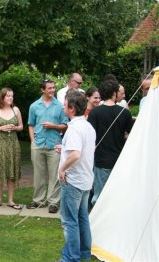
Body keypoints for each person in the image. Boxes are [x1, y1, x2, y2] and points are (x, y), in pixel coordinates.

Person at [56, 90, 96, 262]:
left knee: (70, 222)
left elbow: (75, 155)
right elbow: (77, 151)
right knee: (82, 219)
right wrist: (64, 150)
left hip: (73, 181)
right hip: (86, 179)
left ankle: (71, 258)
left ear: (71, 108)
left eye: (65, 105)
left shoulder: (74, 128)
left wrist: (62, 169)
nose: (63, 107)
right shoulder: (87, 126)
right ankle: (84, 253)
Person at [87, 79, 133, 205]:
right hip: (118, 159)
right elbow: (132, 135)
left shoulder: (95, 113)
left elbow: (90, 137)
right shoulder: (124, 113)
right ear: (114, 93)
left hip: (101, 159)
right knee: (117, 194)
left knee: (99, 195)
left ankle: (97, 221)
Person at [27, 79, 68, 214]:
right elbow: (31, 125)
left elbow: (65, 125)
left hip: (54, 145)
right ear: (42, 90)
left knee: (55, 175)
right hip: (38, 144)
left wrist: (53, 126)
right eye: (49, 88)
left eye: (53, 88)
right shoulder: (34, 106)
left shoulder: (60, 106)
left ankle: (53, 202)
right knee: (38, 175)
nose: (52, 90)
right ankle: (38, 200)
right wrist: (33, 141)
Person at [0, 87, 22, 209]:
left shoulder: (16, 110)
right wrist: (1, 128)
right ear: (2, 97)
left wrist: (14, 127)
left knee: (11, 172)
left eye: (12, 96)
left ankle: (11, 200)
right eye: (8, 96)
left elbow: (21, 126)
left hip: (12, 144)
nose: (10, 98)